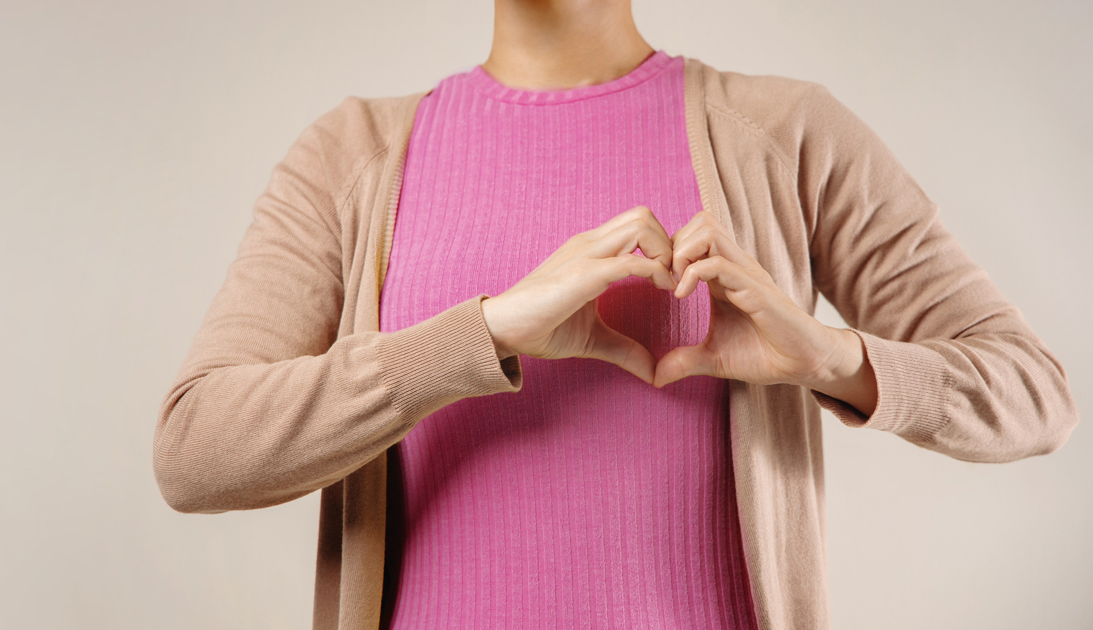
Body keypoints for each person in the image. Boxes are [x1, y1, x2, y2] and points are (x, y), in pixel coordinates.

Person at [152, 1, 1079, 628]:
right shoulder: (349, 155)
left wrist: (832, 359)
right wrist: (483, 336)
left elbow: (1034, 394)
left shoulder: (784, 130)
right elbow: (196, 449)